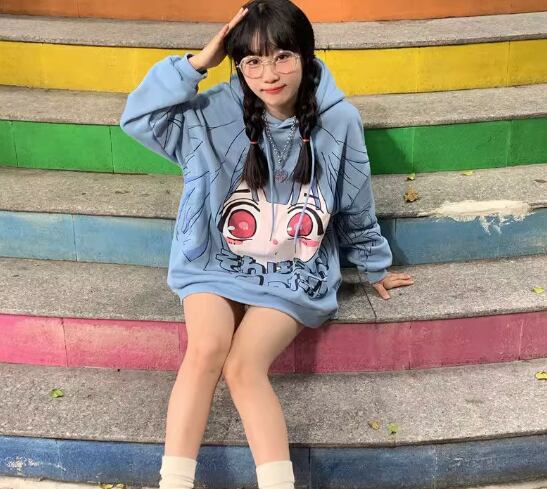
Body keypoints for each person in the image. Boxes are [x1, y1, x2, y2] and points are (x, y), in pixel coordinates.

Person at [120, 1, 414, 487]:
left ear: (306, 55)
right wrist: (196, 64)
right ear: (237, 64)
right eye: (252, 61)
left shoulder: (339, 120)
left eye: (282, 57)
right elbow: (139, 118)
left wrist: (374, 265)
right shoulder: (214, 110)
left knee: (243, 366)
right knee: (206, 349)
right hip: (214, 259)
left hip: (295, 267)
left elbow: (354, 198)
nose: (269, 75)